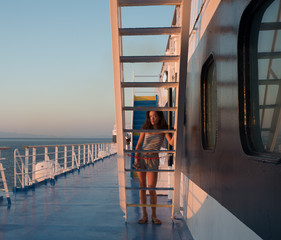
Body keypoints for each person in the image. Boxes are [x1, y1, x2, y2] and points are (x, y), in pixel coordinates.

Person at [134, 111, 174, 224]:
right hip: (141, 158)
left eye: (155, 116)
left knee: (151, 188)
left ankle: (154, 216)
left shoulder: (163, 130)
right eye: (151, 116)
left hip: (153, 160)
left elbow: (171, 142)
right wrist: (136, 160)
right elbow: (138, 145)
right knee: (142, 187)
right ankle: (144, 215)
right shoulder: (145, 129)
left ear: (159, 117)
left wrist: (175, 130)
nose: (153, 118)